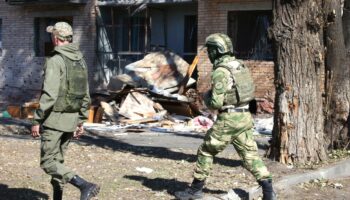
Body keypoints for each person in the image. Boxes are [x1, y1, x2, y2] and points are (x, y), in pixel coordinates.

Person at [174, 33, 276, 200]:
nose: (209, 54)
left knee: (206, 151)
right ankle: (268, 192)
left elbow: (215, 103)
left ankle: (195, 190)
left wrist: (206, 95)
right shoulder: (239, 65)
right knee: (250, 155)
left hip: (229, 119)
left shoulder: (221, 71)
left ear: (217, 51)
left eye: (210, 51)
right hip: (244, 117)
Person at [31, 22, 100, 200]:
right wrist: (80, 120)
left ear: (55, 37)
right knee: (58, 162)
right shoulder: (80, 60)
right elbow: (85, 94)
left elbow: (49, 94)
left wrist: (37, 120)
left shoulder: (56, 60)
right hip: (71, 120)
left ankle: (83, 184)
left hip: (54, 120)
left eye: (51, 35)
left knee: (48, 162)